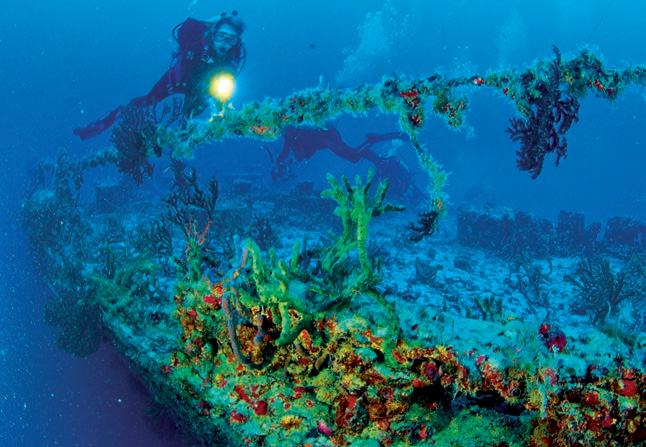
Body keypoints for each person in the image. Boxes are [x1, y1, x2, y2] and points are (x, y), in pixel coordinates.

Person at [74, 11, 246, 140]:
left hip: (202, 89)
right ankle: (107, 121)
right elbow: (187, 27)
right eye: (221, 36)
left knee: (189, 118)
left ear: (236, 41)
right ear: (213, 34)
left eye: (231, 39)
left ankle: (182, 138)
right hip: (177, 81)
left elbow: (228, 83)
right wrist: (209, 22)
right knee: (147, 102)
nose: (225, 43)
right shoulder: (198, 42)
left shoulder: (234, 55)